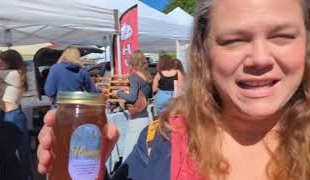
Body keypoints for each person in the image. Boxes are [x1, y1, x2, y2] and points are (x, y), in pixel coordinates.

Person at [37, 0, 310, 179]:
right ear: (204, 52)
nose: (260, 58)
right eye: (234, 40)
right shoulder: (160, 142)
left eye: (282, 36)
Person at [0, 49, 33, 180]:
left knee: (13, 152)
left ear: (9, 62)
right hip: (7, 116)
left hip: (12, 117)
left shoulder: (13, 74)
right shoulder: (9, 76)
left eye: (2, 62)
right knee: (5, 151)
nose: (0, 64)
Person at [113, 49, 153, 160]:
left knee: (131, 149)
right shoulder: (148, 77)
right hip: (146, 116)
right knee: (144, 149)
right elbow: (148, 96)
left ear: (132, 63)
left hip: (136, 119)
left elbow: (132, 97)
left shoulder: (134, 77)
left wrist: (119, 93)